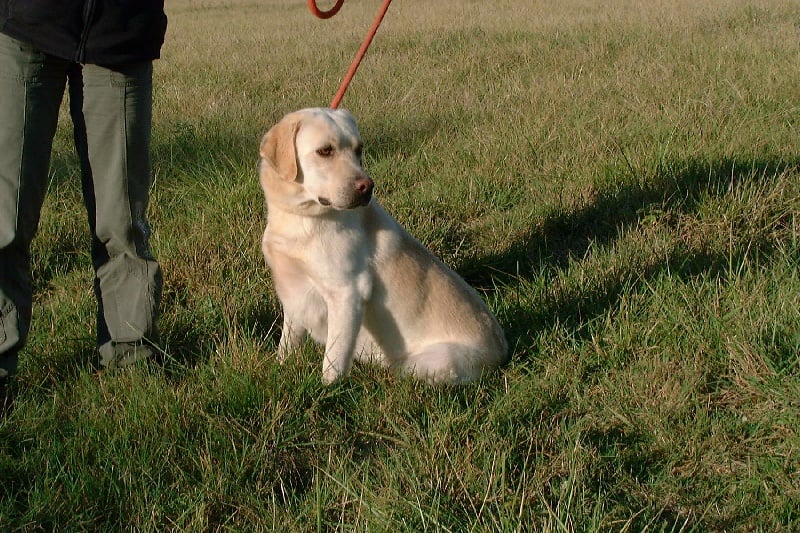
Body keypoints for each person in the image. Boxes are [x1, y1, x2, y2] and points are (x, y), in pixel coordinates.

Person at [0, 1, 168, 406]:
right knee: (6, 218)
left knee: (123, 222)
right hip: (27, 22)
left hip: (123, 32)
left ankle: (131, 357)